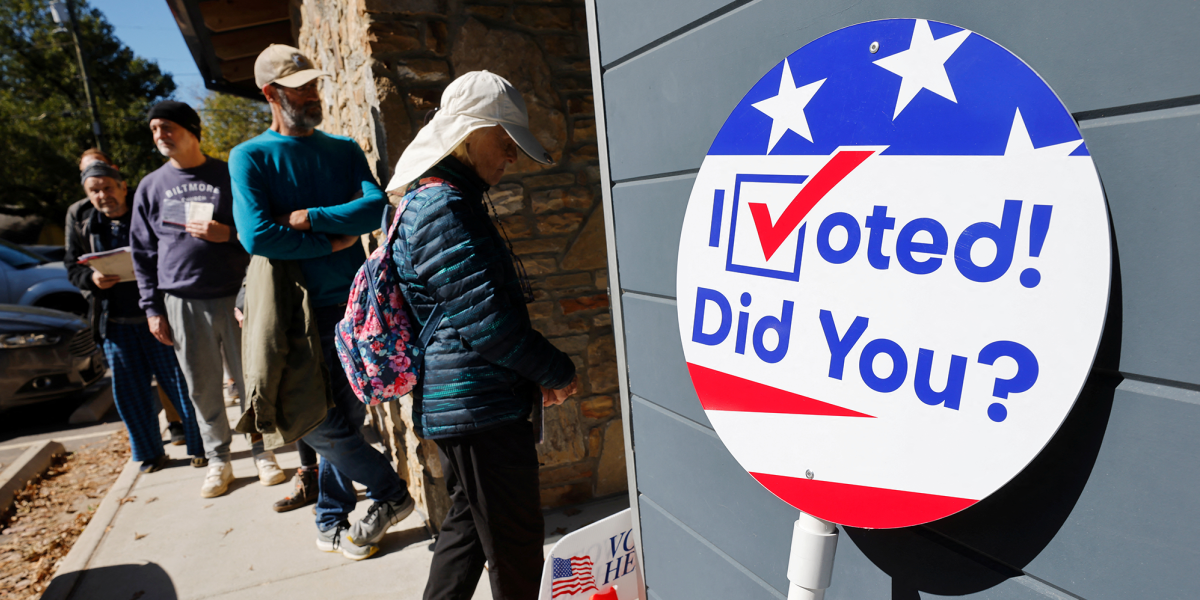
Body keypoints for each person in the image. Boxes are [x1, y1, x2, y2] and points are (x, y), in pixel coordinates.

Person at [384, 71, 579, 600]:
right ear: (469, 134)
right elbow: (487, 322)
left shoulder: (439, 198)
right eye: (506, 139)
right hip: (479, 408)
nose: (513, 155)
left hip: (467, 405)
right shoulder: (444, 206)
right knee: (514, 552)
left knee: (468, 530)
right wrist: (555, 369)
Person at [230, 44, 414, 559]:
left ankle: (331, 517)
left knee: (347, 422)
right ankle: (391, 492)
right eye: (301, 88)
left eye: (314, 85)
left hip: (353, 307)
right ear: (271, 94)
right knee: (311, 419)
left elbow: (375, 206)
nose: (314, 95)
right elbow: (257, 235)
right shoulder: (250, 156)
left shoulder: (342, 149)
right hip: (293, 314)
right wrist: (331, 239)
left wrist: (310, 218)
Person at [130, 100, 286, 498]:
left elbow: (257, 229)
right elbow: (143, 253)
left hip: (234, 294)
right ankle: (219, 459)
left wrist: (228, 234)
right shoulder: (150, 186)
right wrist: (151, 308)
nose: (159, 135)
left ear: (190, 129)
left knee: (251, 378)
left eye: (166, 127)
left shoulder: (225, 174)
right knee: (201, 385)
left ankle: (262, 452)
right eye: (153, 129)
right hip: (180, 300)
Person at [65, 162, 203, 473]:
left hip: (159, 315)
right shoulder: (84, 223)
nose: (103, 195)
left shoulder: (148, 211)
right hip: (115, 322)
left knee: (181, 384)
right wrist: (91, 280)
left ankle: (200, 447)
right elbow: (72, 267)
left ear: (123, 186)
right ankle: (150, 454)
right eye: (94, 191)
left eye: (108, 187)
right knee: (130, 393)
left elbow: (182, 245)